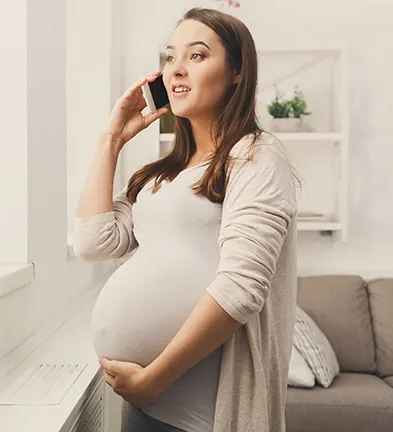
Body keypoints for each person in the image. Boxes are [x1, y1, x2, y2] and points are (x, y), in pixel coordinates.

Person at [72, 7, 298, 432]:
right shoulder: (162, 174)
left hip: (199, 414)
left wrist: (152, 380)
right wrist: (111, 139)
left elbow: (242, 287)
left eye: (196, 56)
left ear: (236, 71)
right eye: (169, 57)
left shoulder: (254, 155)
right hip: (148, 403)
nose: (176, 69)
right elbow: (92, 243)